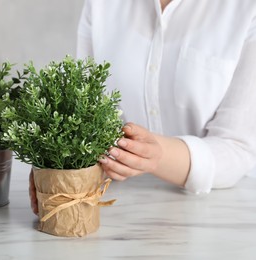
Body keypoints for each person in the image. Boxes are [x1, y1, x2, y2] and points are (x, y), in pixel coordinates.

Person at [30, 0, 256, 214]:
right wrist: (58, 161)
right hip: (116, 207)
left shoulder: (246, 9)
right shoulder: (101, 5)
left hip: (220, 211)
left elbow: (238, 149)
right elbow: (85, 111)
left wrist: (158, 155)